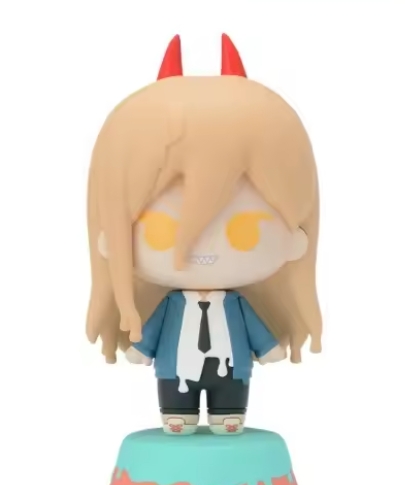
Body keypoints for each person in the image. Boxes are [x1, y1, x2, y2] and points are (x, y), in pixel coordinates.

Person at [86, 34, 322, 435]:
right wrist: (141, 349)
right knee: (176, 408)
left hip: (232, 374)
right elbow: (151, 335)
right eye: (164, 231)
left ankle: (227, 413)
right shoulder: (171, 307)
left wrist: (268, 349)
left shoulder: (237, 307)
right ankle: (178, 414)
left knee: (229, 404)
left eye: (242, 230)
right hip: (174, 377)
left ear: (296, 238)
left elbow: (257, 334)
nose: (198, 244)